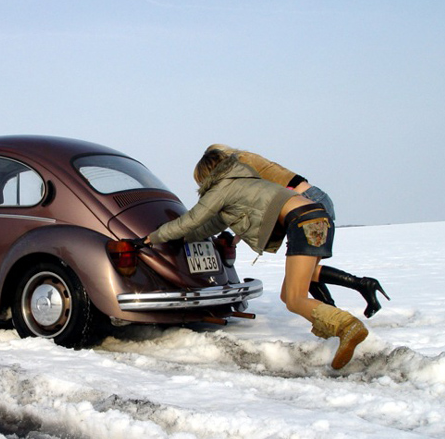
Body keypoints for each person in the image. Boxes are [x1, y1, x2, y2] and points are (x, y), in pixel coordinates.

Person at [142, 152, 368, 369]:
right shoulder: (244, 180)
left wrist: (154, 237)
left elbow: (192, 219)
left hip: (303, 222)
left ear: (205, 176)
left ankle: (346, 326)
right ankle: (332, 331)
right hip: (318, 217)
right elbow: (211, 225)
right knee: (287, 293)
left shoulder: (223, 187)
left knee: (294, 299)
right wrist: (182, 237)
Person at [204, 144, 389, 318]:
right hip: (312, 200)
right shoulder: (246, 159)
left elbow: (251, 203)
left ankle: (358, 288)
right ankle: (332, 310)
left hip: (305, 204)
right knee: (305, 272)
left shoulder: (241, 162)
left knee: (301, 274)